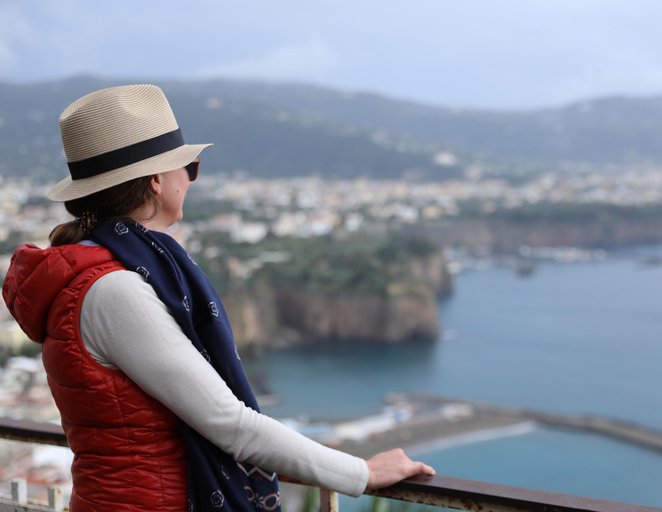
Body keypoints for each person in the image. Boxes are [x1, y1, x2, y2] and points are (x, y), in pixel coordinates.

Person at [2, 84, 434, 512]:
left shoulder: (89, 273)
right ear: (156, 180)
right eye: (190, 167)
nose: (190, 179)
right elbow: (229, 423)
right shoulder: (114, 290)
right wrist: (361, 473)